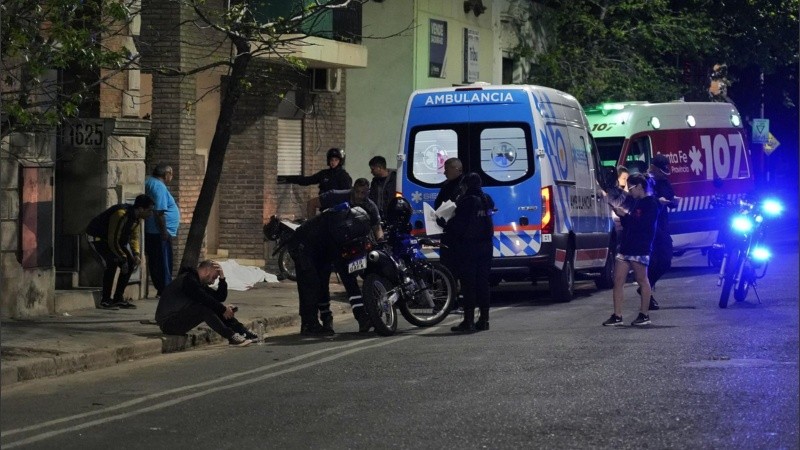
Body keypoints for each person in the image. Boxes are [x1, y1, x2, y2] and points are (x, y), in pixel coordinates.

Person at [286, 198, 375, 336]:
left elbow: (347, 275)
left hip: (321, 248)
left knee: (328, 282)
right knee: (311, 285)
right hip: (302, 246)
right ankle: (309, 324)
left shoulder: (352, 225)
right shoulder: (339, 226)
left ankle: (358, 318)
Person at [305, 178, 384, 333]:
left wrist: (381, 241)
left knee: (350, 281)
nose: (361, 196)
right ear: (353, 189)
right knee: (322, 281)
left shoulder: (369, 205)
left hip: (354, 248)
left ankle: (363, 318)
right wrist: (311, 227)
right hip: (329, 244)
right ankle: (326, 318)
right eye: (358, 192)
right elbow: (312, 204)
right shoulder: (336, 196)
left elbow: (377, 227)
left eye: (364, 193)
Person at [155, 260, 258, 347]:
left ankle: (242, 332)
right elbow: (204, 298)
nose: (213, 282)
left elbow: (219, 297)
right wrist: (223, 309)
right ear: (206, 270)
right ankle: (231, 336)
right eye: (214, 277)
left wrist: (222, 278)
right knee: (204, 309)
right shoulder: (188, 281)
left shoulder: (198, 282)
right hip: (169, 324)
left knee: (215, 307)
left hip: (176, 320)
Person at [439, 173, 495, 333]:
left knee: (468, 285)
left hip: (469, 248)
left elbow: (458, 226)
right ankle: (484, 320)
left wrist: (444, 223)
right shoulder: (487, 199)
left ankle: (468, 321)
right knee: (483, 283)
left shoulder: (466, 201)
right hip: (486, 246)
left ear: (466, 186)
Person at [603, 174, 658, 327]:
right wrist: (623, 216)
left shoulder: (651, 204)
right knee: (618, 280)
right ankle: (617, 315)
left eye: (631, 188)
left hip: (640, 247)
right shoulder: (636, 203)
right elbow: (631, 224)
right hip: (627, 246)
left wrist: (625, 215)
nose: (630, 191)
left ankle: (644, 314)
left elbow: (643, 225)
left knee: (642, 280)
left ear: (640, 186)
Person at [86, 194, 154, 309]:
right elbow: (113, 238)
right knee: (112, 261)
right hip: (98, 239)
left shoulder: (136, 219)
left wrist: (136, 254)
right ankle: (105, 300)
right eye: (149, 210)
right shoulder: (121, 214)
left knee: (131, 263)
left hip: (114, 242)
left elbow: (134, 237)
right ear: (141, 209)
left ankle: (118, 298)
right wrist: (122, 259)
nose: (151, 214)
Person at [645, 154, 679, 310]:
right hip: (649, 225)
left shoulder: (664, 181)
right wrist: (657, 201)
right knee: (650, 262)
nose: (664, 174)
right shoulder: (645, 181)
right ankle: (647, 295)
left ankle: (646, 287)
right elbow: (639, 200)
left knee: (665, 260)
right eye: (661, 170)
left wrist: (674, 201)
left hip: (662, 225)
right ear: (654, 168)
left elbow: (671, 201)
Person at [434, 157, 467, 311]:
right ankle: (451, 301)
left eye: (447, 169)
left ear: (456, 169)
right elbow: (439, 203)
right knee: (448, 269)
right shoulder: (447, 185)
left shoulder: (463, 186)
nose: (445, 172)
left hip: (460, 235)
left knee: (461, 269)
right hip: (448, 234)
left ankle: (462, 301)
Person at [144, 164, 180, 298]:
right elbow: (159, 212)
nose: (172, 177)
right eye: (171, 174)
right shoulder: (159, 187)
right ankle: (165, 289)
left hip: (154, 231)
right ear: (166, 175)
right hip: (158, 232)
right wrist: (164, 231)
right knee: (163, 262)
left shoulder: (150, 182)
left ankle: (162, 288)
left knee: (157, 261)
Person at [278, 147, 352, 195]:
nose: (333, 162)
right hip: (324, 205)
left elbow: (347, 192)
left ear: (340, 161)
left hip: (338, 206)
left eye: (336, 160)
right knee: (311, 204)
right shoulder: (324, 174)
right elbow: (307, 180)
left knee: (312, 204)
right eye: (331, 160)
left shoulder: (344, 176)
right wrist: (288, 178)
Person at [368, 155, 398, 219]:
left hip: (392, 216)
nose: (371, 172)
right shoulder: (375, 181)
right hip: (378, 217)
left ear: (379, 168)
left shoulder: (395, 179)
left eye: (372, 169)